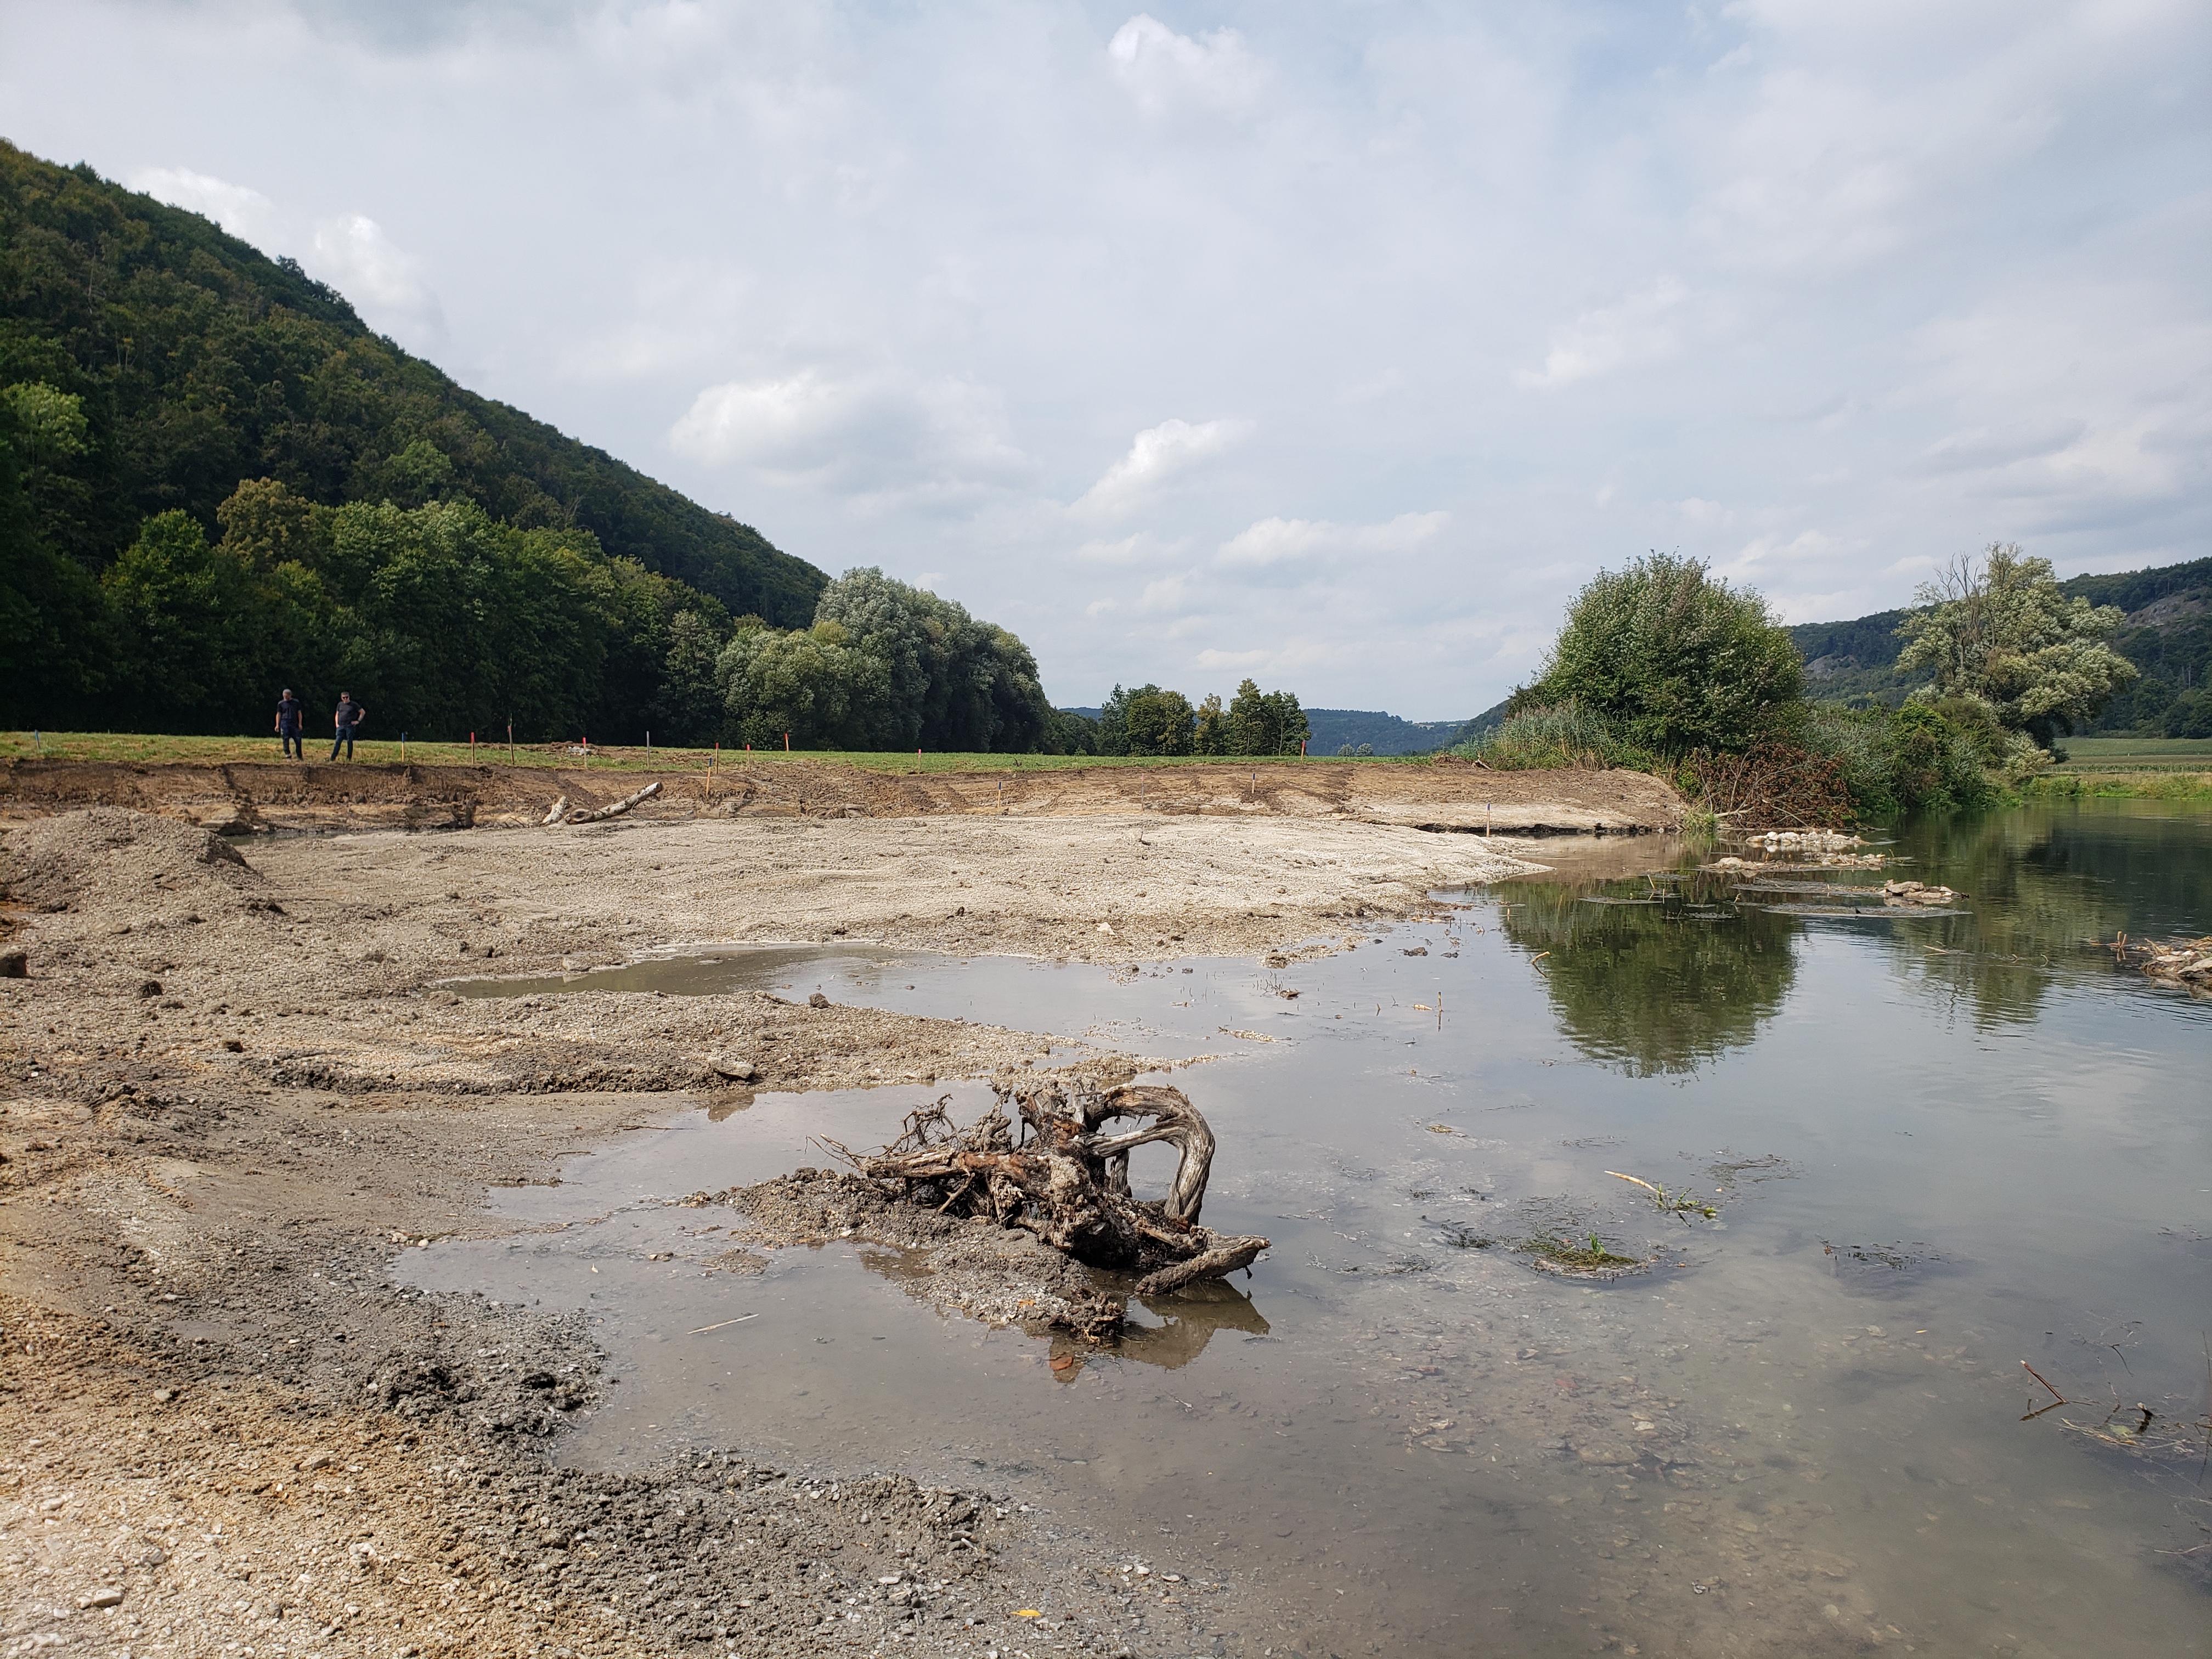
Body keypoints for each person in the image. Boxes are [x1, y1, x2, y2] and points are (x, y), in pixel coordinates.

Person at [330, 691, 367, 761]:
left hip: (350, 726)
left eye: (347, 697)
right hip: (341, 726)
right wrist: (337, 724)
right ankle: (333, 758)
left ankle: (349, 757)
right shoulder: (340, 705)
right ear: (342, 698)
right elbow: (337, 714)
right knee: (338, 741)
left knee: (349, 741)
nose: (345, 699)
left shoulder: (354, 705)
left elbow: (363, 712)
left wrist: (358, 721)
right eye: (344, 698)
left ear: (349, 697)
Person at [275, 688, 304, 759]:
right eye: (284, 696)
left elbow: (299, 713)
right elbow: (279, 714)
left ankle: (299, 756)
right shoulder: (281, 704)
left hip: (294, 723)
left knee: (298, 740)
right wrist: (277, 725)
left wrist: (300, 724)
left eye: (286, 696)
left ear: (290, 695)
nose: (285, 697)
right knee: (285, 739)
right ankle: (288, 755)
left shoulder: (296, 702)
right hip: (285, 723)